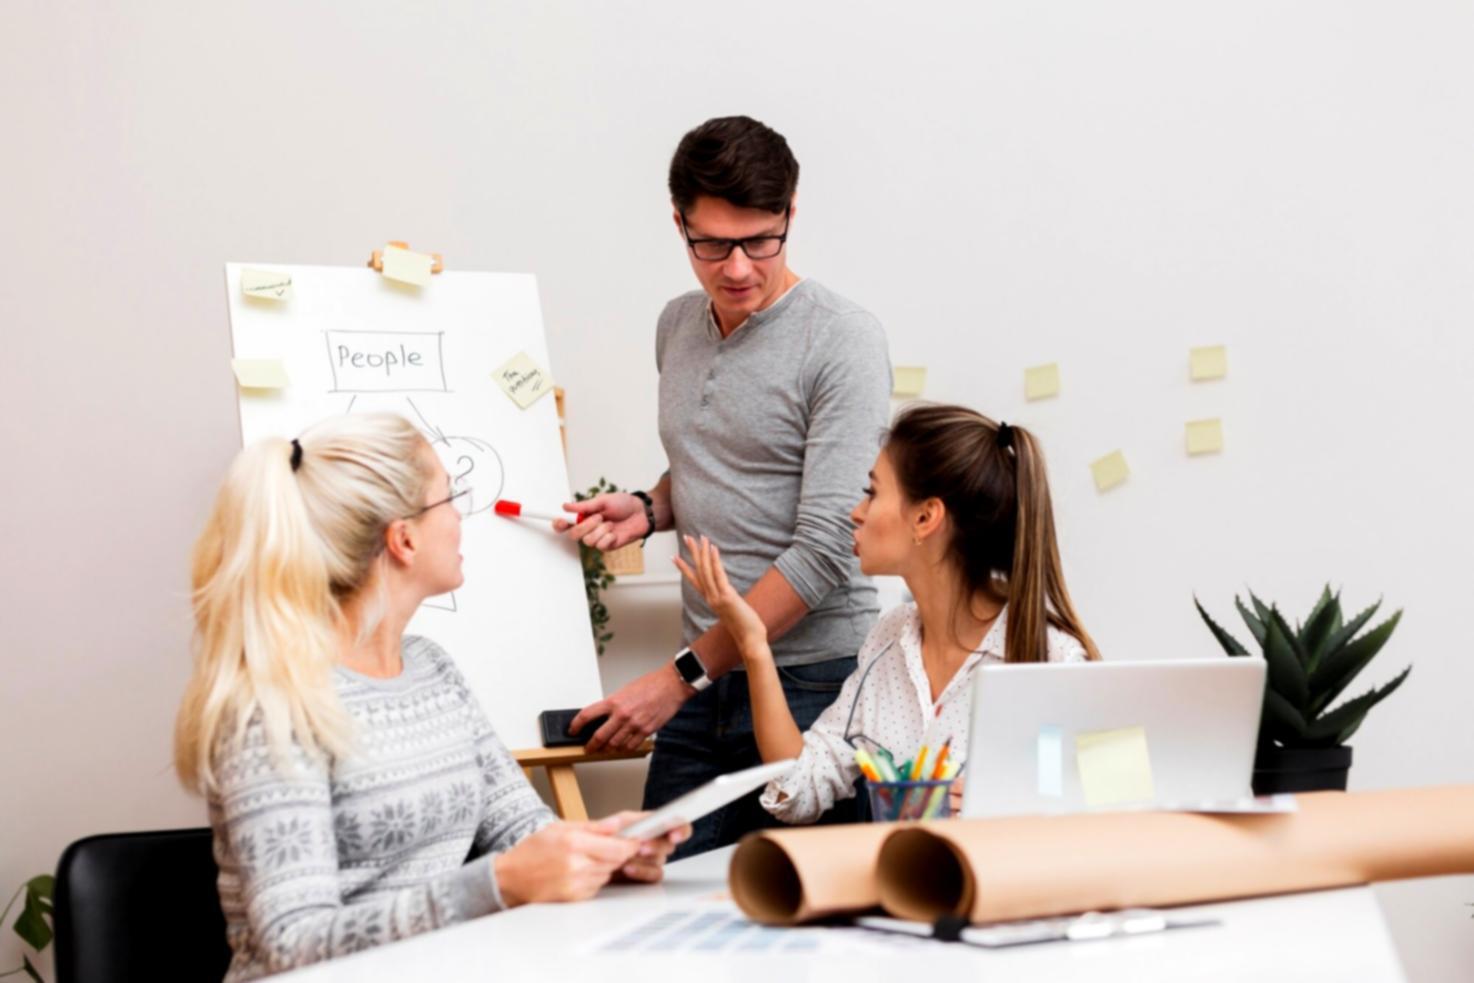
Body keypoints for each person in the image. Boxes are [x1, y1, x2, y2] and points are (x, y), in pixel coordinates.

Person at [174, 414, 686, 981]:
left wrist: (604, 852)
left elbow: (522, 828)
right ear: (404, 537)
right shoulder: (272, 706)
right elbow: (291, 945)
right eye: (450, 496)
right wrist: (499, 883)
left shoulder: (430, 668)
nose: (462, 516)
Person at [555, 115, 892, 856]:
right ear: (678, 223)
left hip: (811, 684)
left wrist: (679, 677)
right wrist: (652, 506)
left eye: (760, 240)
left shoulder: (843, 339)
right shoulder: (675, 324)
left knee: (809, 923)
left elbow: (826, 549)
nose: (737, 268)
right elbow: (720, 454)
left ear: (791, 214)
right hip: (703, 687)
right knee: (656, 904)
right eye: (711, 244)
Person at [675, 404, 1101, 822]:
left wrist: (1011, 802)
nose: (856, 513)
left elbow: (1121, 802)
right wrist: (753, 644)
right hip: (900, 887)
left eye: (872, 492)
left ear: (925, 517)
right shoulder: (889, 640)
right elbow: (800, 788)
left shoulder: (1054, 659)